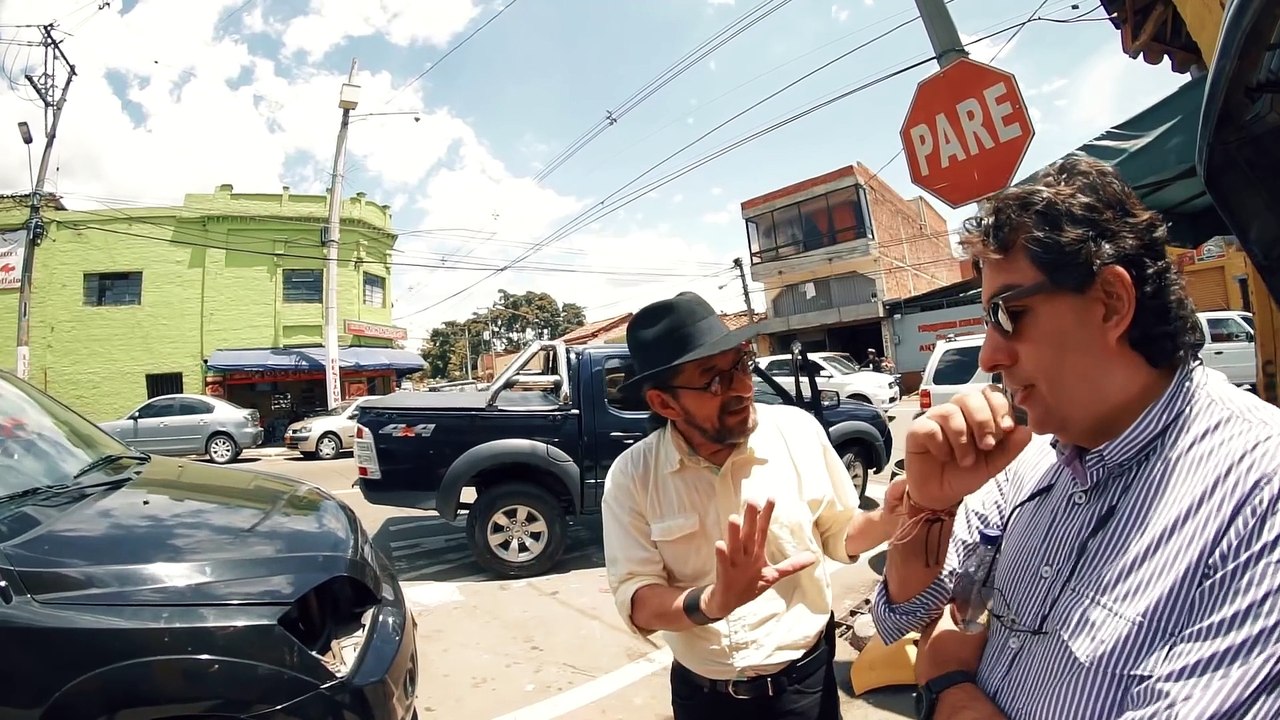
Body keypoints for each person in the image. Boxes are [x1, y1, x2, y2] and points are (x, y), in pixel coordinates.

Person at [872, 154, 1280, 719]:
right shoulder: (1029, 458)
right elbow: (909, 614)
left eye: (1008, 314)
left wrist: (948, 680)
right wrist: (929, 506)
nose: (989, 356)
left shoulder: (1259, 494)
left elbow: (945, 637)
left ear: (1111, 302)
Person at [601, 291, 906, 720]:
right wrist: (714, 601)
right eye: (714, 380)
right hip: (703, 700)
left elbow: (839, 533)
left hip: (806, 688)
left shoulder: (797, 432)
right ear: (664, 403)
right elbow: (638, 601)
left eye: (741, 365)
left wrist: (890, 517)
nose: (744, 388)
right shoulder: (633, 476)